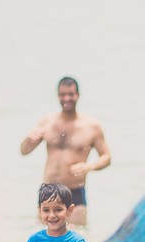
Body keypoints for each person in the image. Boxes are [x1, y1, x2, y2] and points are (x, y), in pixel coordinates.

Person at [20, 77, 111, 227]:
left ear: (78, 95)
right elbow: (24, 151)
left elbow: (107, 157)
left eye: (70, 94)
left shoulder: (91, 126)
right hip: (48, 191)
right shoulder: (47, 121)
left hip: (74, 191)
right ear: (58, 95)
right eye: (62, 95)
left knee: (78, 238)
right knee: (43, 240)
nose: (66, 98)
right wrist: (29, 138)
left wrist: (89, 167)